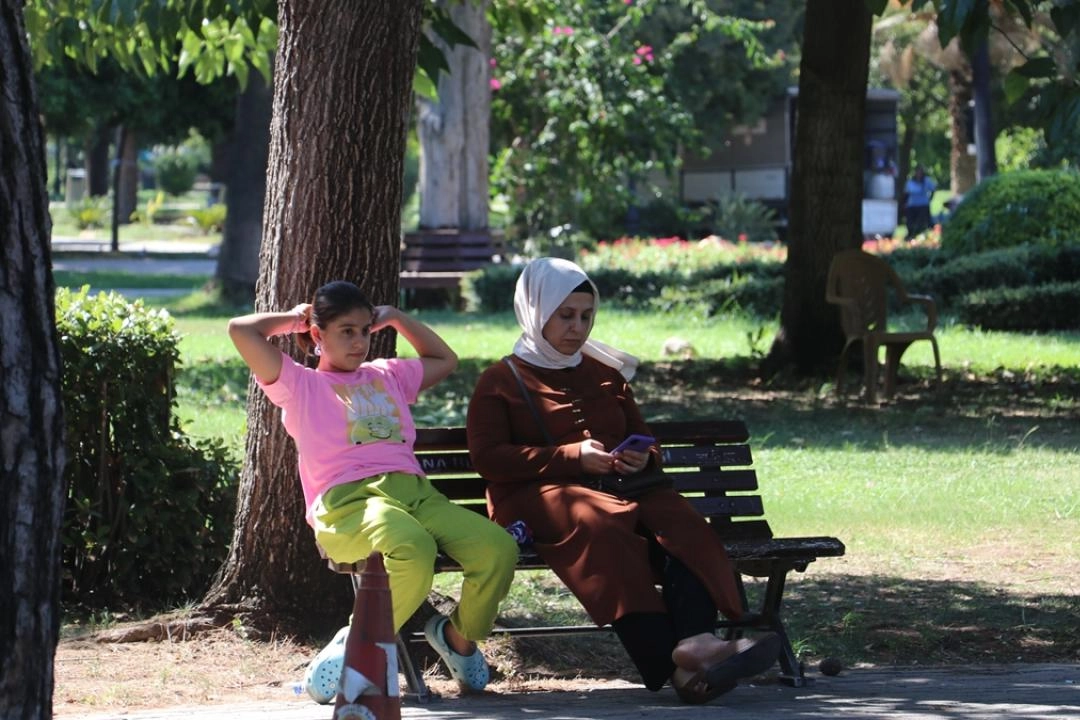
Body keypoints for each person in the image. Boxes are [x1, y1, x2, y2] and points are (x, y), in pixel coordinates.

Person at [465, 258, 780, 705]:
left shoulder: (605, 374)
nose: (577, 328)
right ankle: (678, 669)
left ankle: (696, 641)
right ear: (536, 311)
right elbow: (489, 458)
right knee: (600, 528)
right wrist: (572, 457)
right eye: (565, 315)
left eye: (586, 316)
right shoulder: (500, 381)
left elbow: (645, 439)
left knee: (681, 524)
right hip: (536, 495)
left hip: (620, 488)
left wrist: (639, 457)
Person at [228, 281, 517, 700]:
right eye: (346, 330)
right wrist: (294, 318)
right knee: (411, 550)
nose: (359, 340)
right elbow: (241, 330)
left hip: (417, 497)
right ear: (317, 335)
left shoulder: (389, 375)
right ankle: (352, 647)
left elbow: (444, 358)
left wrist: (397, 318)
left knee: (497, 549)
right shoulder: (300, 385)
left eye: (365, 330)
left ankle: (457, 637)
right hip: (349, 505)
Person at [904, 165, 936, 238]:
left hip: (923, 205)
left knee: (921, 222)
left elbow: (933, 190)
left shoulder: (927, 181)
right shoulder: (910, 182)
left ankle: (920, 233)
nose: (919, 174)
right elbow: (906, 194)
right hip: (912, 205)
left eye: (920, 172)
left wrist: (930, 199)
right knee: (910, 221)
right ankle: (910, 234)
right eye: (917, 172)